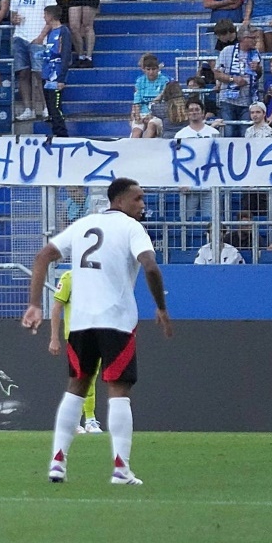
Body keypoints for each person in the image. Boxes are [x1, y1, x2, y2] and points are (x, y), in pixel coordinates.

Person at [23, 177, 173, 486]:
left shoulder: (83, 225)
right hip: (116, 321)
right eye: (138, 199)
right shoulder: (132, 229)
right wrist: (161, 307)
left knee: (75, 387)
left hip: (80, 322)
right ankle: (121, 468)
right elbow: (151, 267)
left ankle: (57, 463)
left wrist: (35, 304)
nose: (142, 205)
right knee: (119, 391)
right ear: (119, 201)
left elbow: (42, 257)